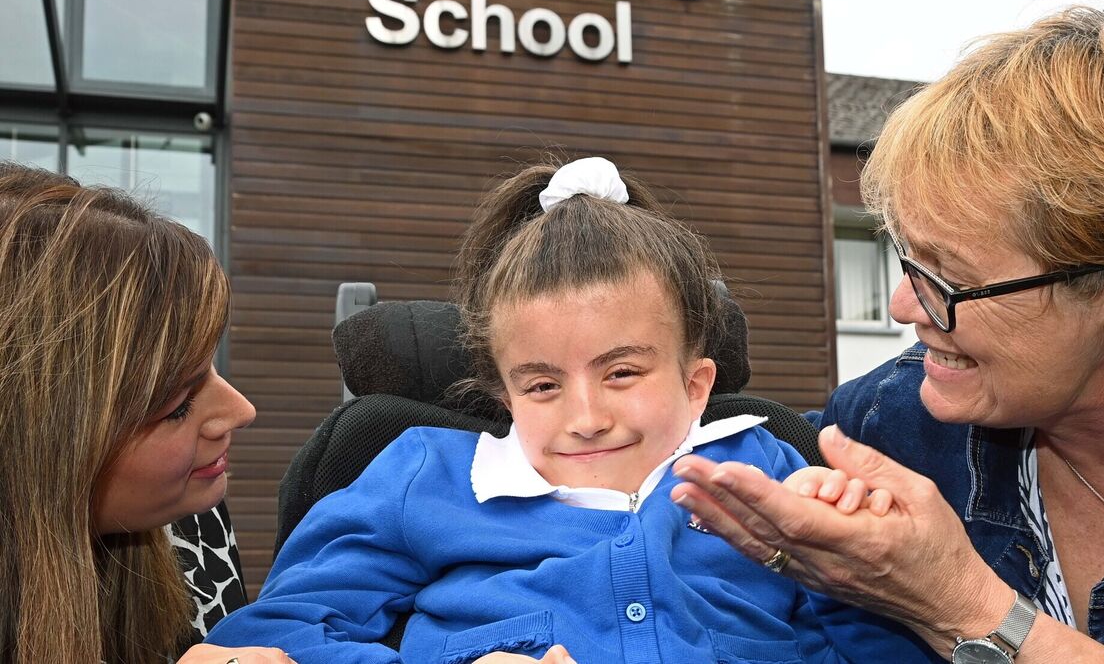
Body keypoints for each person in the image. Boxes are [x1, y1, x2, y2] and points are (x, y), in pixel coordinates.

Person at [207, 157, 935, 662]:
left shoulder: (765, 465)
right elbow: (282, 630)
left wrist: (858, 554)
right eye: (543, 385)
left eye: (621, 371)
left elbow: (880, 640)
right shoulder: (423, 475)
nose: (585, 415)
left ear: (696, 383)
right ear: (503, 392)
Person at [671, 6, 1104, 663]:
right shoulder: (887, 424)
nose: (902, 306)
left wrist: (959, 602)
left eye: (948, 279)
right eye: (906, 260)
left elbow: (954, 601)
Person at [0, 163, 294, 664]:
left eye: (211, 368)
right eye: (178, 406)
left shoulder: (189, 522)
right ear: (41, 439)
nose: (241, 412)